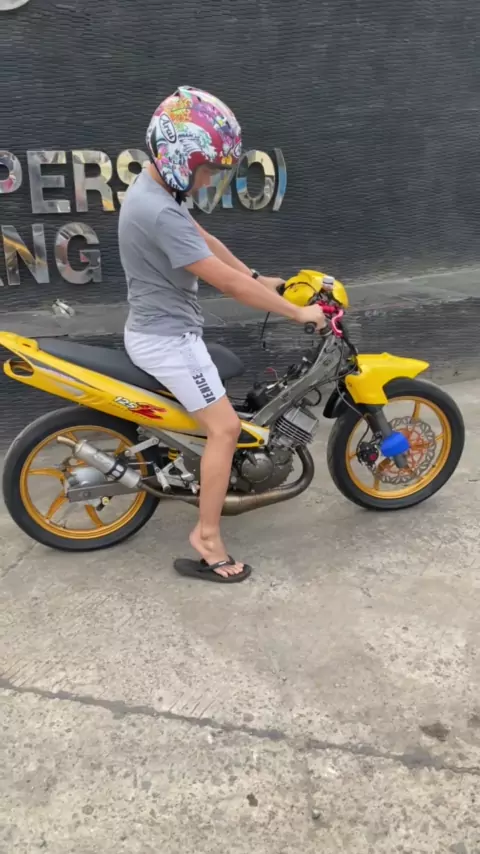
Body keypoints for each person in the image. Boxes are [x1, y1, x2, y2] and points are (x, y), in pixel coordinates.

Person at [120, 86, 325, 583]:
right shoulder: (160, 210)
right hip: (168, 340)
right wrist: (297, 313)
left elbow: (205, 241)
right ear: (180, 158)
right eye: (208, 168)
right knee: (226, 429)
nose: (211, 178)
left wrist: (259, 278)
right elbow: (226, 285)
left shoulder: (156, 192)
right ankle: (207, 538)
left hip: (159, 330)